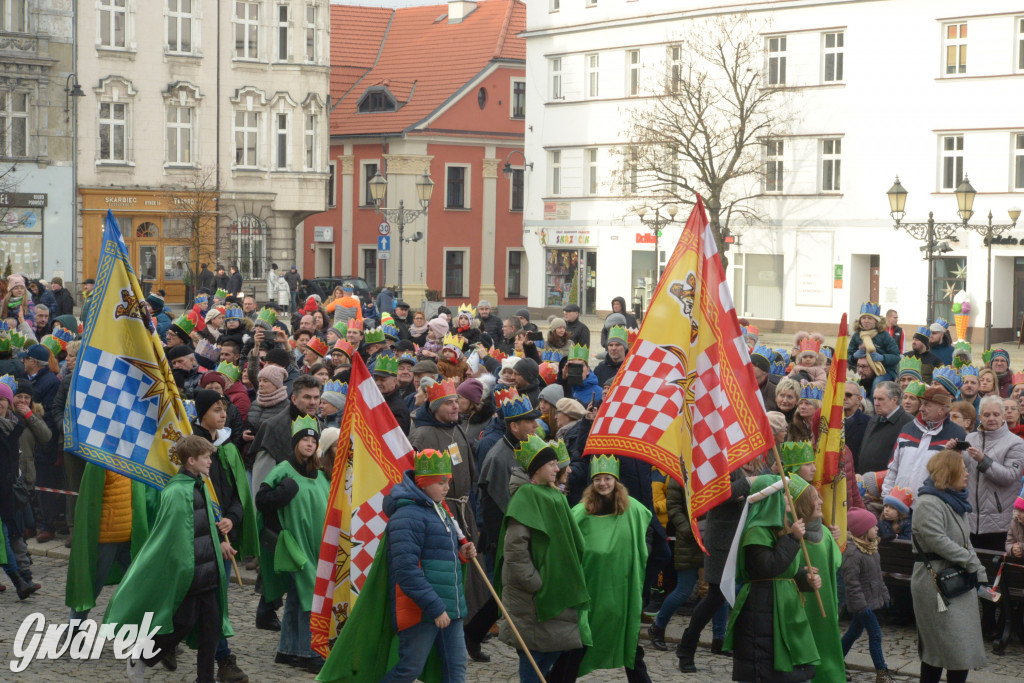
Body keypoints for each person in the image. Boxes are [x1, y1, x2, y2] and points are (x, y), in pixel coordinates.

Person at [110, 435, 235, 683]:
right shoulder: (177, 491)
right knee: (180, 626)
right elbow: (173, 536)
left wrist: (219, 543)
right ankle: (141, 656)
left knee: (211, 632)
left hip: (208, 572)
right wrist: (183, 569)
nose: (210, 461)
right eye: (206, 457)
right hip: (190, 575)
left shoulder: (199, 485)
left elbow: (201, 526)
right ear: (191, 460)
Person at [494, 434, 589, 682]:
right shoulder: (526, 497)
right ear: (537, 468)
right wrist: (535, 582)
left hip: (555, 584)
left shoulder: (554, 494)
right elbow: (515, 550)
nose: (558, 469)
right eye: (552, 464)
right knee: (533, 654)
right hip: (532, 594)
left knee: (556, 646)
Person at [377, 448, 476, 682]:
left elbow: (439, 553)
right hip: (421, 610)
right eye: (441, 482)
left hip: (449, 606)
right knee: (409, 669)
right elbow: (406, 569)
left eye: (448, 481)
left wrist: (461, 552)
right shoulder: (407, 516)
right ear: (423, 483)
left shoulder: (438, 509)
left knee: (456, 669)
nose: (447, 487)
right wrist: (435, 607)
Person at [555, 456, 651, 681]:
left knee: (629, 644)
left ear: (616, 481)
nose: (603, 483)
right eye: (598, 479)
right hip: (591, 591)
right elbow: (565, 540)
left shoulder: (633, 510)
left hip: (622, 592)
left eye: (608, 478)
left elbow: (649, 532)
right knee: (580, 643)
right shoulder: (581, 511)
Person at [722, 475, 822, 682]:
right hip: (763, 609)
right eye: (783, 493)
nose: (788, 497)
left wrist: (805, 579)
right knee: (767, 669)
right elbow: (767, 568)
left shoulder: (782, 528)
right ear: (770, 499)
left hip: (784, 606)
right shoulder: (756, 531)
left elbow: (786, 572)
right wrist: (793, 539)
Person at [255, 415, 330, 672]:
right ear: (295, 442)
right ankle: (308, 652)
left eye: (313, 440)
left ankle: (287, 650)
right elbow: (262, 501)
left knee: (299, 597)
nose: (309, 444)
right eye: (305, 440)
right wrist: (282, 492)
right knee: (309, 595)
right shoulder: (283, 470)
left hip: (317, 546)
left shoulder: (320, 475)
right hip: (295, 546)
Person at [911, 450, 987, 683]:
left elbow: (965, 541)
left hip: (958, 581)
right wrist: (971, 562)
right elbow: (938, 541)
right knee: (939, 648)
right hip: (934, 582)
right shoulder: (928, 503)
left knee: (960, 648)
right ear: (949, 472)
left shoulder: (955, 502)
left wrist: (979, 570)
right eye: (963, 469)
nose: (966, 473)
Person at [675, 469, 750, 672]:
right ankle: (687, 647)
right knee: (715, 596)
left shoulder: (749, 460)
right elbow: (716, 494)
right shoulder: (717, 456)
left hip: (743, 538)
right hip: (721, 540)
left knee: (743, 594)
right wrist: (749, 482)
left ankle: (743, 650)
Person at [409, 378, 478, 545]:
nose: (455, 406)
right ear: (435, 408)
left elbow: (471, 474)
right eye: (448, 403)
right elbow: (413, 481)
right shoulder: (422, 435)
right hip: (438, 513)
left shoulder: (458, 429)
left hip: (464, 512)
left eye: (456, 401)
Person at [882, 386, 966, 502]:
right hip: (899, 507)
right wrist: (886, 499)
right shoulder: (907, 429)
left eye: (927, 405)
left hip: (930, 509)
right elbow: (892, 469)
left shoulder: (957, 435)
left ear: (941, 409)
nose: (921, 408)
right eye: (921, 403)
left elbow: (958, 478)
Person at [648, 475, 702, 652]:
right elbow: (674, 506)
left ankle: (719, 638)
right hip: (689, 538)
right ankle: (658, 627)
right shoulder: (679, 475)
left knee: (718, 591)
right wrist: (688, 530)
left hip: (713, 535)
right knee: (683, 590)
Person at [963, 395, 1024, 550]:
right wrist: (952, 453)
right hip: (969, 522)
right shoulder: (970, 438)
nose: (991, 418)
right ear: (980, 417)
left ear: (1003, 416)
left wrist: (983, 460)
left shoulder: (1016, 443)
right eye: (987, 414)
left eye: (996, 414)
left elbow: (1009, 476)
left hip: (999, 525)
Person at [841, 507, 894, 683]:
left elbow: (878, 577)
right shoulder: (852, 553)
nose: (877, 528)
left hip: (869, 601)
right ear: (863, 530)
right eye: (873, 526)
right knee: (876, 634)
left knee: (853, 633)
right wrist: (862, 607)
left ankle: (836, 661)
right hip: (862, 605)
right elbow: (852, 584)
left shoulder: (872, 548)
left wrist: (884, 595)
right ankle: (882, 673)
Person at [857, 381, 913, 474]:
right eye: (874, 398)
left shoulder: (908, 423)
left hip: (888, 484)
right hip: (865, 481)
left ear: (894, 400)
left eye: (880, 399)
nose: (876, 403)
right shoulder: (874, 420)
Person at [849, 302, 900, 385]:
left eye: (870, 318)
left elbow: (896, 357)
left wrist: (883, 358)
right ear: (859, 320)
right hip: (862, 370)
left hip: (884, 370)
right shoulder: (857, 336)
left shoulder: (884, 335)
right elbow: (848, 356)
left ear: (876, 321)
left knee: (877, 384)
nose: (866, 321)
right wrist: (854, 356)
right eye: (863, 318)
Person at [844, 381, 870, 461]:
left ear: (859, 399)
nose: (844, 397)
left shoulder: (869, 423)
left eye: (848, 395)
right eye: (841, 394)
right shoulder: (831, 420)